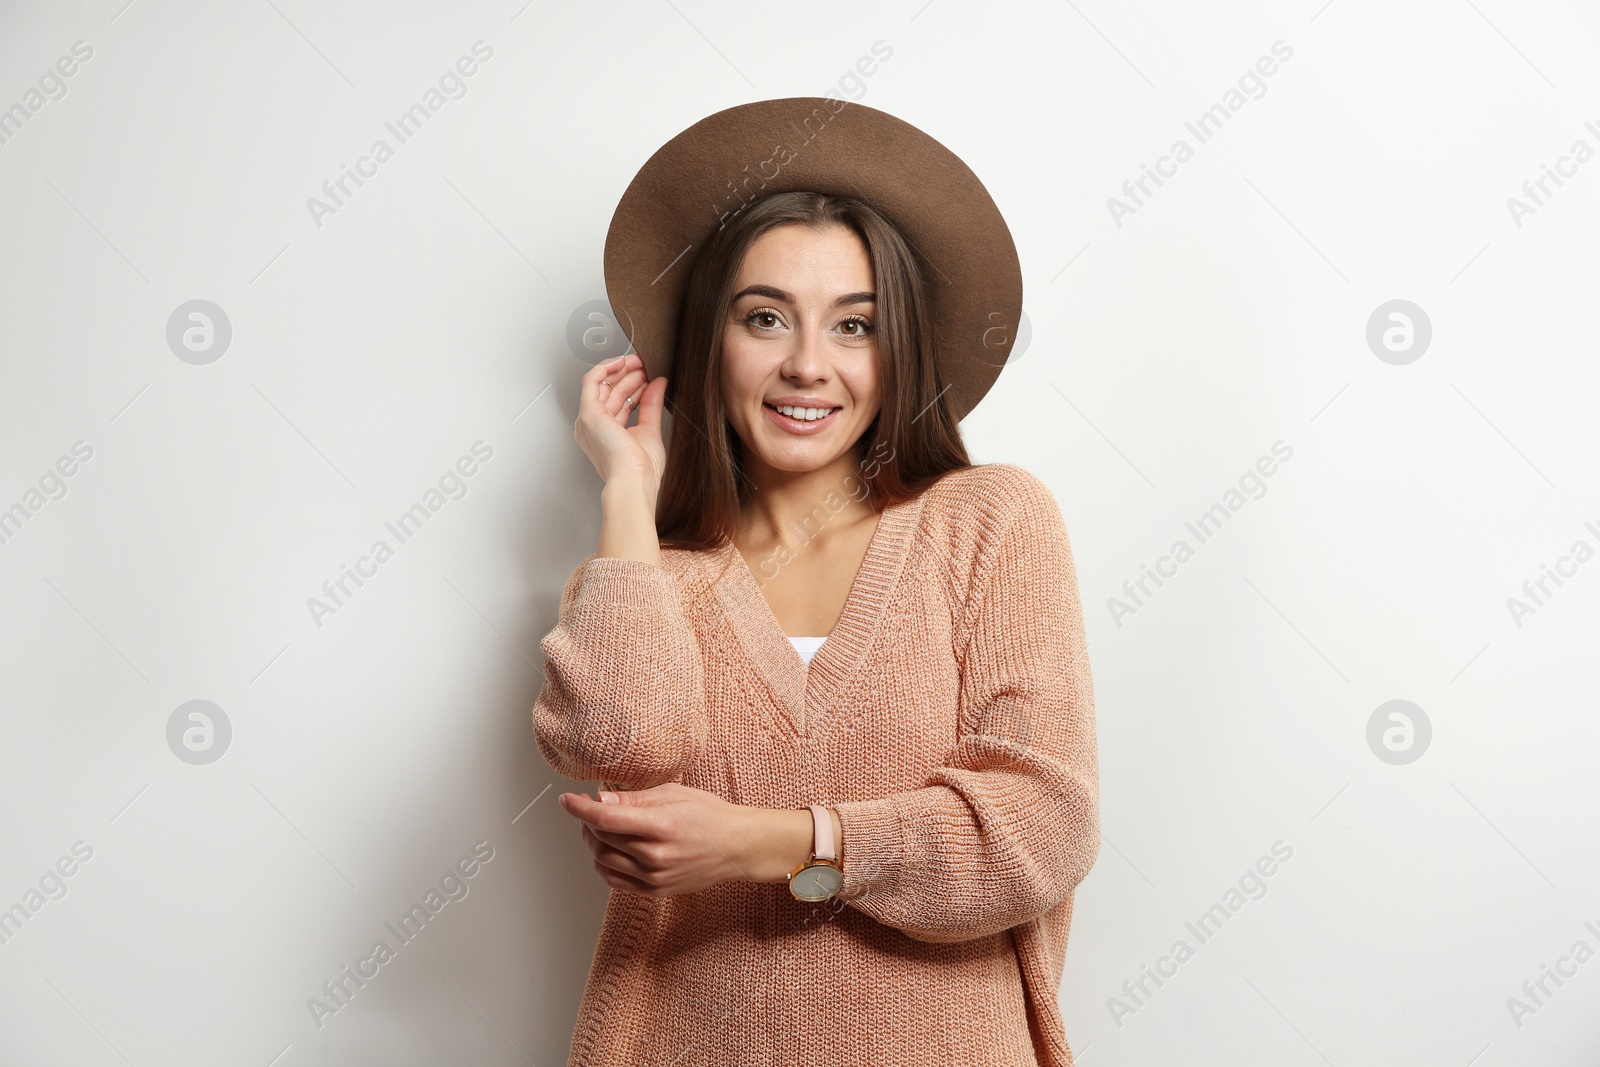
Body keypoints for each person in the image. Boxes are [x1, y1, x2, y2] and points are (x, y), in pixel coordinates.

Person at [533, 98, 1099, 1067]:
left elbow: (1037, 828)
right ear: (709, 341)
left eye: (853, 325)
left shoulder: (990, 523)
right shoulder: (636, 582)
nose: (806, 364)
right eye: (765, 318)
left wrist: (773, 842)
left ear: (898, 350)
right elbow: (625, 745)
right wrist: (628, 491)